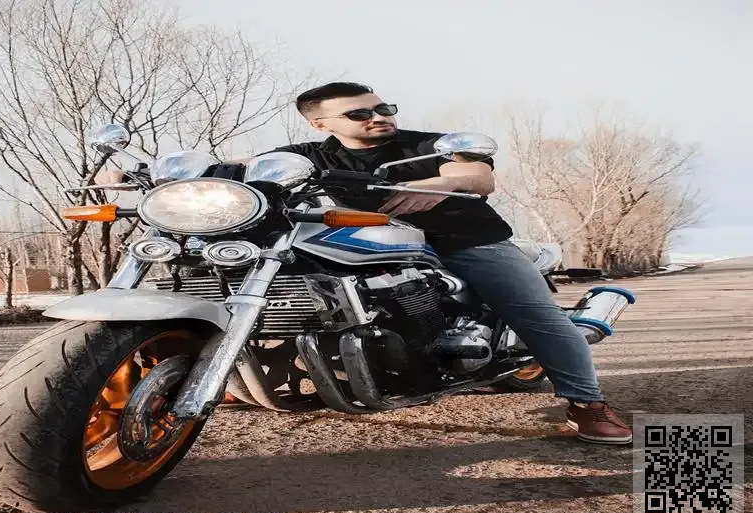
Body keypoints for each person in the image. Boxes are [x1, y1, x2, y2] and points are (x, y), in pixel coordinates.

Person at [96, 82, 633, 445]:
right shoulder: (304, 156)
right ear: (321, 123)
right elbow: (236, 167)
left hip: (464, 241)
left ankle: (586, 404)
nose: (379, 118)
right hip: (357, 237)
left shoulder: (426, 145)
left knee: (536, 315)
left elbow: (475, 175)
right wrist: (147, 175)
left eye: (383, 108)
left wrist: (434, 184)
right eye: (361, 113)